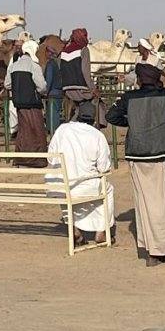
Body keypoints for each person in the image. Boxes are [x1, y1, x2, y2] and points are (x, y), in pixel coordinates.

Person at [106, 63, 165, 265]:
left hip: (138, 155)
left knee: (145, 204)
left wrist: (135, 123)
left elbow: (111, 116)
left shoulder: (129, 98)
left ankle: (155, 251)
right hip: (161, 154)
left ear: (140, 80)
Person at [46, 97, 115, 245]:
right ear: (94, 120)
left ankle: (74, 228)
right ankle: (101, 231)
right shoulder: (97, 135)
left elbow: (51, 159)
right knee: (107, 190)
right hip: (83, 187)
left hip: (59, 185)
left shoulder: (62, 129)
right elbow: (104, 168)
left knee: (64, 187)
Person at [5, 38, 48, 157]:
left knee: (23, 131)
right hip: (32, 103)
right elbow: (42, 87)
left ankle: (21, 157)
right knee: (36, 130)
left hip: (18, 103)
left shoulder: (14, 66)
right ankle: (36, 158)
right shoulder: (34, 66)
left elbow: (7, 84)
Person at [59, 29, 94, 106]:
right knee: (96, 104)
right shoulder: (84, 50)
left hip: (66, 89)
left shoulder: (64, 51)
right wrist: (93, 88)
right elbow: (85, 72)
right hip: (81, 88)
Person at [43, 39, 63, 136]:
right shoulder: (56, 64)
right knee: (56, 115)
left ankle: (53, 134)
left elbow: (49, 80)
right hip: (58, 92)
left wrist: (45, 92)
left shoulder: (50, 64)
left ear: (48, 53)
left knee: (52, 116)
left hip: (52, 93)